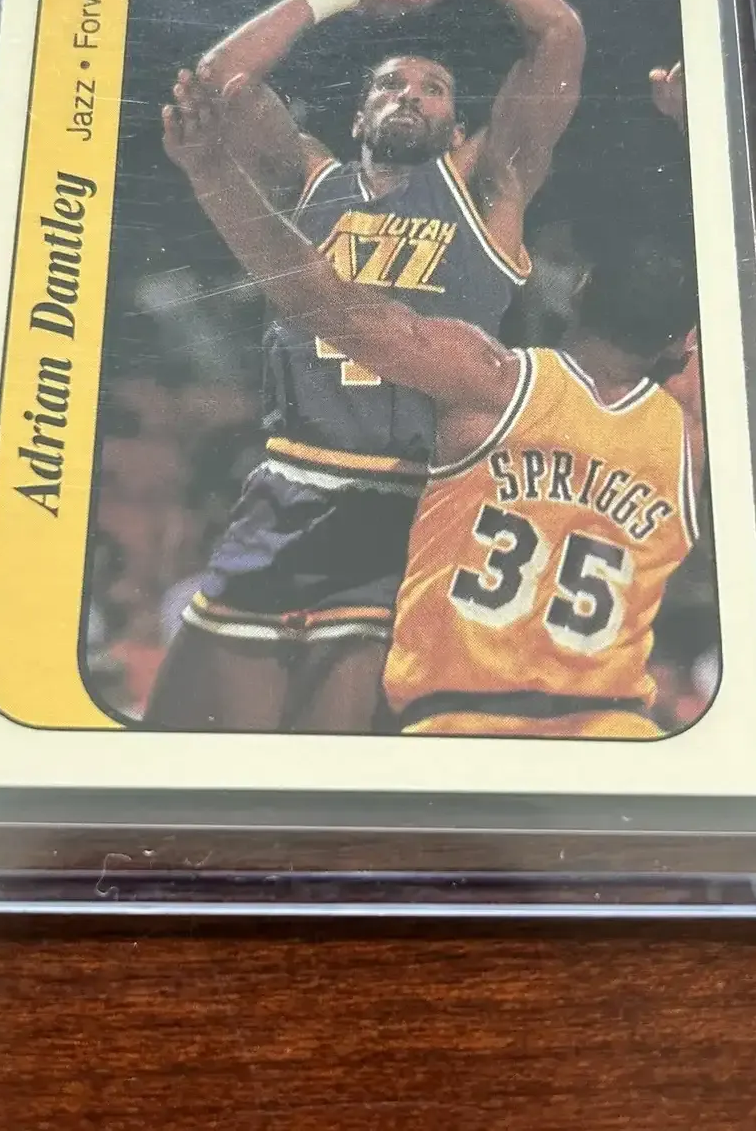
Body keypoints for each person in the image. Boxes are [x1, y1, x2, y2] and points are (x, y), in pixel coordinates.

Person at [143, 0, 586, 732]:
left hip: (411, 502)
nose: (409, 95)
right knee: (182, 743)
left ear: (457, 124)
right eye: (389, 84)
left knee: (333, 757)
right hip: (284, 486)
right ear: (358, 116)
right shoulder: (310, 180)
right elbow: (218, 87)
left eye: (433, 88)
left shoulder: (487, 187)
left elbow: (559, 34)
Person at [161, 69, 705, 739]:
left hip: (465, 730)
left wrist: (213, 174)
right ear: (684, 343)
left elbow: (319, 299)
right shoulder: (689, 432)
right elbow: (746, 296)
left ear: (579, 290)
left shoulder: (493, 383)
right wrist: (698, 137)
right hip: (619, 738)